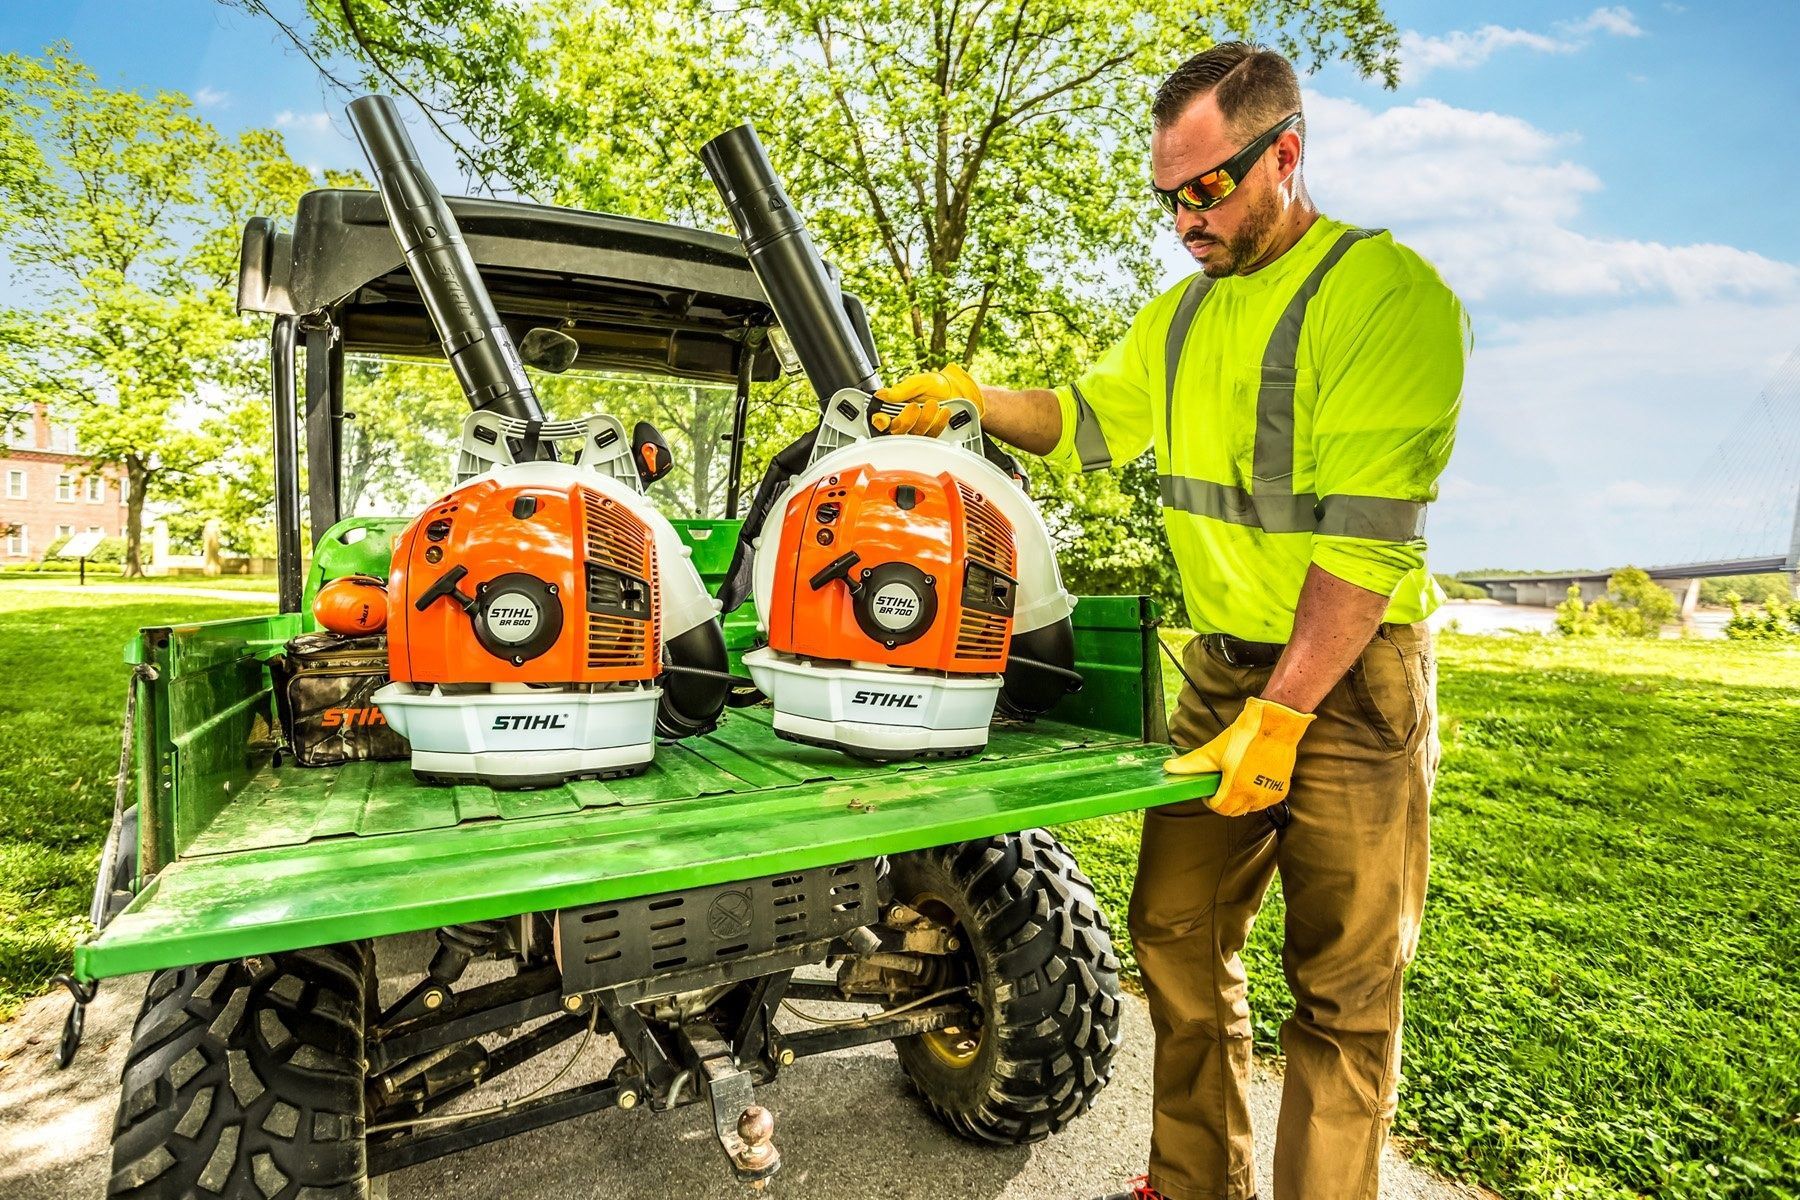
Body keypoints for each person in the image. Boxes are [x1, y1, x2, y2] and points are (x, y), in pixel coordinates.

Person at [872, 41, 1470, 1200]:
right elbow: (1088, 418)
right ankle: (1196, 1186)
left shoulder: (1390, 300)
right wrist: (969, 395)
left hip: (1351, 680)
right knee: (1177, 933)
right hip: (1222, 672)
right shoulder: (1181, 318)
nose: (1185, 219)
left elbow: (1364, 543)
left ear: (1283, 155)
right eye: (1167, 198)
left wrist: (1286, 716)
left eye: (1206, 190)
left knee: (1342, 990)